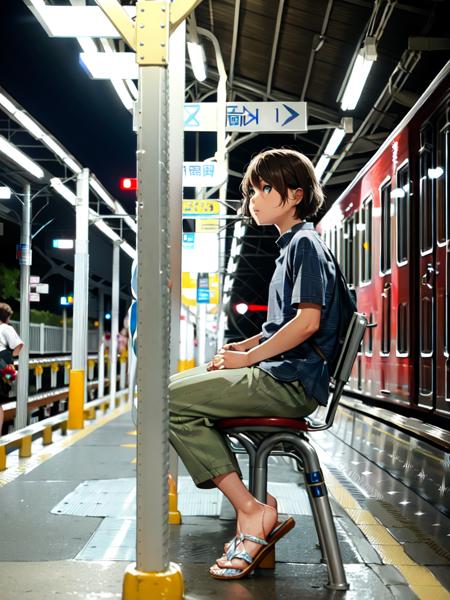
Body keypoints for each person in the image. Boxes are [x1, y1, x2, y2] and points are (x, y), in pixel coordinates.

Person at [169, 148, 339, 580]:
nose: (254, 200)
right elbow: (278, 328)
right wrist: (239, 347)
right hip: (281, 375)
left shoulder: (304, 244)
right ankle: (250, 509)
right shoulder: (292, 248)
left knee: (166, 400)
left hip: (289, 383)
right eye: (251, 191)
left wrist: (246, 357)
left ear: (296, 194)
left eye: (266, 188)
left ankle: (251, 511)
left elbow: (306, 323)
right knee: (166, 392)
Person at [0, 302, 24, 434]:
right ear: (6, 317)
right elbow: (19, 345)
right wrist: (11, 356)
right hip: (2, 361)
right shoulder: (7, 328)